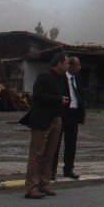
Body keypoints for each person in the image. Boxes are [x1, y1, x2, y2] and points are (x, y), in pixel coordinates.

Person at [24, 51, 70, 199]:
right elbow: (37, 95)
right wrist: (58, 100)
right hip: (42, 120)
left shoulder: (62, 79)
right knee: (36, 154)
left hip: (56, 118)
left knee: (49, 154)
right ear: (59, 63)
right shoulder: (44, 77)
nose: (68, 65)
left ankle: (44, 184)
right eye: (67, 63)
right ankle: (31, 187)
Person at [51, 56, 85, 180]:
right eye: (78, 65)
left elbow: (81, 96)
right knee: (55, 143)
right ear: (70, 66)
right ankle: (51, 171)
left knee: (71, 144)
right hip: (62, 113)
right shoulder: (60, 78)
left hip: (74, 114)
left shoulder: (79, 79)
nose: (80, 67)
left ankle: (69, 169)